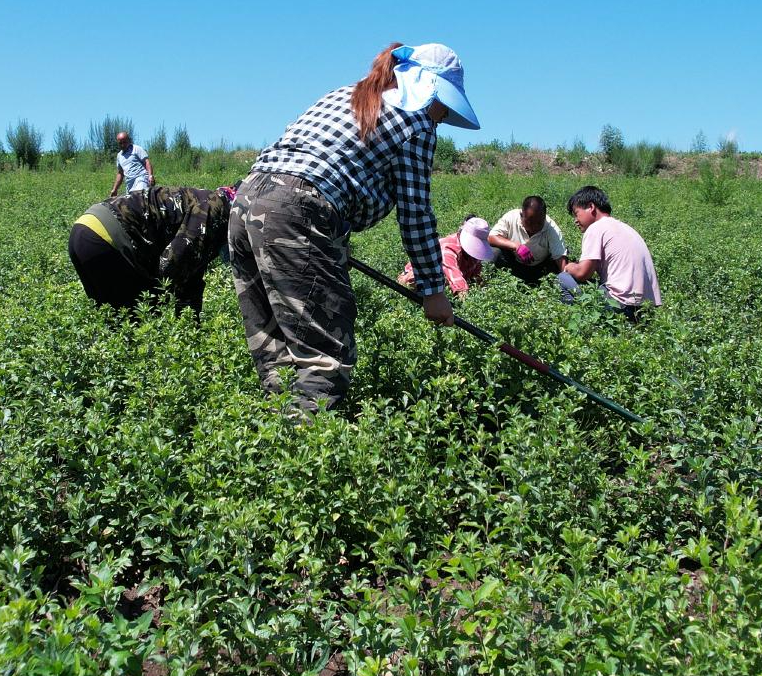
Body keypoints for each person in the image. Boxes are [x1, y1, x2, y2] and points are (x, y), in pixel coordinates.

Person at [228, 42, 478, 414]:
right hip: (296, 210)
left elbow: (322, 167)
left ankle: (276, 438)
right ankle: (309, 447)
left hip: (247, 200)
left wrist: (331, 243)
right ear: (430, 90)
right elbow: (415, 214)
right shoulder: (417, 121)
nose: (442, 117)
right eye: (444, 105)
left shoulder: (346, 94)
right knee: (324, 357)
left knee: (275, 349)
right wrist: (433, 290)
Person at [70, 185, 233, 313]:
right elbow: (172, 264)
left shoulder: (212, 206)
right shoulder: (214, 207)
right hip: (106, 237)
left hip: (84, 229)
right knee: (139, 317)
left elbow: (192, 269)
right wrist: (184, 325)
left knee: (109, 319)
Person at [563, 185, 661, 319]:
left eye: (576, 213)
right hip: (647, 310)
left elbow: (582, 273)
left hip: (622, 306)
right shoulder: (626, 228)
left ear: (591, 207)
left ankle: (582, 324)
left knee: (562, 279)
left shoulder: (596, 228)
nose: (575, 220)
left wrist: (569, 267)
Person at [400, 216, 498, 296]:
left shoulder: (473, 254)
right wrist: (468, 304)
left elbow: (476, 275)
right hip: (415, 279)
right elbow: (455, 277)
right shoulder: (448, 248)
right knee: (443, 279)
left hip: (445, 282)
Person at [486, 195, 569, 286]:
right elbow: (491, 237)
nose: (535, 227)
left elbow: (560, 257)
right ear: (522, 215)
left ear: (544, 217)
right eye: (530, 222)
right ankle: (488, 281)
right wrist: (516, 246)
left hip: (539, 268)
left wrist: (567, 280)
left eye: (539, 223)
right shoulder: (511, 217)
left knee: (560, 262)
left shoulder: (552, 229)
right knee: (494, 252)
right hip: (513, 262)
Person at [109, 131, 154, 197]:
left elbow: (147, 162)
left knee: (140, 197)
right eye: (120, 143)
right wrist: (115, 189)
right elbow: (120, 173)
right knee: (130, 202)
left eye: (124, 142)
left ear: (129, 140)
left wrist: (150, 176)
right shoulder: (119, 156)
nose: (122, 145)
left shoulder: (136, 149)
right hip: (129, 184)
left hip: (140, 179)